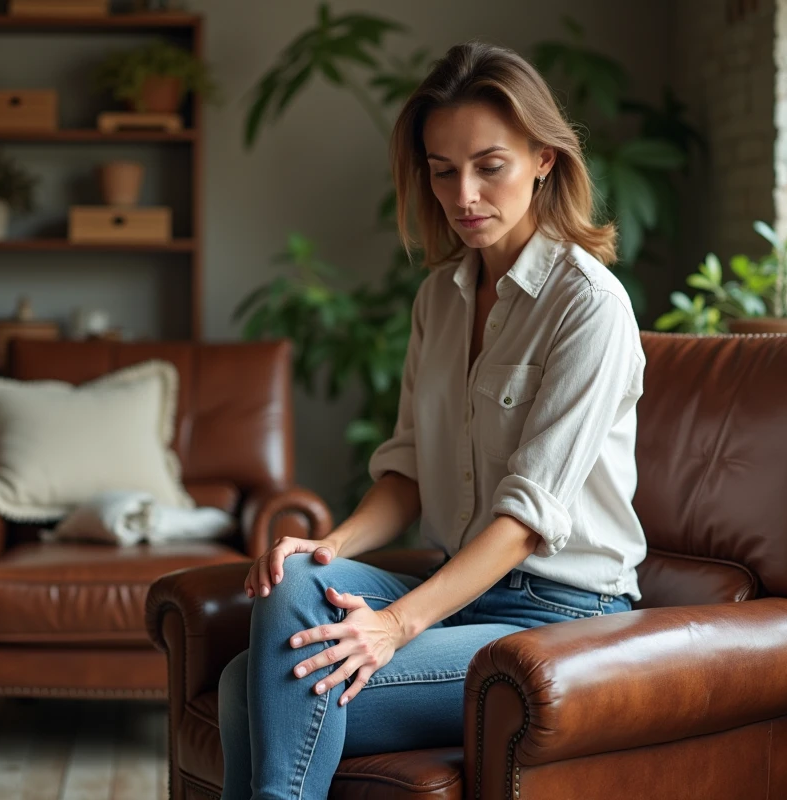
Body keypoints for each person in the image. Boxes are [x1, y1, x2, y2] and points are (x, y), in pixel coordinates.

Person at [217, 39, 647, 800]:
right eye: (442, 170)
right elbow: (408, 468)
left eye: (490, 165)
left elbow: (524, 519)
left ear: (544, 158)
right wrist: (331, 543)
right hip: (463, 593)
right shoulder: (439, 299)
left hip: (561, 613)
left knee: (254, 684)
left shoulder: (589, 306)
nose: (464, 194)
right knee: (291, 587)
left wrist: (395, 627)